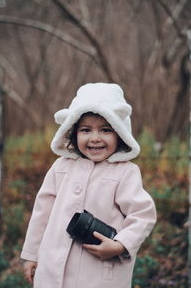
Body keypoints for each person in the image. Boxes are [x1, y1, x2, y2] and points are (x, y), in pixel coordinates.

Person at [21, 83, 157, 288]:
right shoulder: (61, 167)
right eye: (86, 130)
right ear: (72, 132)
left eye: (105, 130)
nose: (95, 138)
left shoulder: (125, 172)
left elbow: (143, 215)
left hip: (99, 273)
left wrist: (121, 245)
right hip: (53, 269)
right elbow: (42, 213)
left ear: (120, 133)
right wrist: (32, 254)